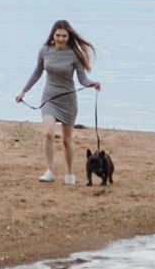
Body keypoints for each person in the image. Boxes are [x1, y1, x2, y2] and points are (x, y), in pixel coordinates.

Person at [16, 18, 99, 185]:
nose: (61, 38)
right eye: (58, 35)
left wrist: (92, 84)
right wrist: (23, 91)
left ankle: (69, 172)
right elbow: (37, 73)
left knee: (67, 140)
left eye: (64, 36)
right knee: (48, 133)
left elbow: (82, 79)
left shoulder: (74, 53)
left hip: (68, 100)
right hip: (49, 98)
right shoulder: (45, 51)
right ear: (53, 36)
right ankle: (50, 171)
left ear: (68, 37)